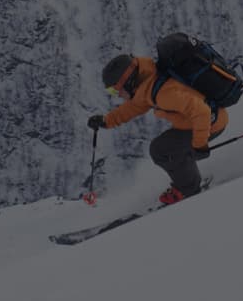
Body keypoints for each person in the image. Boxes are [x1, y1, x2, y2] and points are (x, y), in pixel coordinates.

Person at [89, 51, 229, 205]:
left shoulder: (163, 93)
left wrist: (200, 145)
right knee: (167, 148)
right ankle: (187, 182)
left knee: (162, 150)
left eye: (115, 90)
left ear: (128, 81)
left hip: (210, 123)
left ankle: (190, 190)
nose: (116, 95)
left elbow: (202, 111)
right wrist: (106, 121)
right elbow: (133, 107)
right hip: (194, 123)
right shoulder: (148, 84)